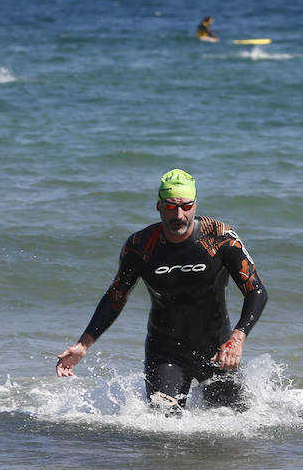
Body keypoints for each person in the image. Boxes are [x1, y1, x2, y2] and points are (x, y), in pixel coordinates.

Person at [55, 169, 268, 411]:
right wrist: (83, 345)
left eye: (186, 206)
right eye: (170, 206)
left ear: (195, 206)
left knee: (236, 425)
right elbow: (116, 297)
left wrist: (237, 339)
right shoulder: (141, 246)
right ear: (158, 206)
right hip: (165, 353)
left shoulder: (220, 238)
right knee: (163, 426)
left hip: (217, 350)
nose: (179, 214)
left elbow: (257, 291)